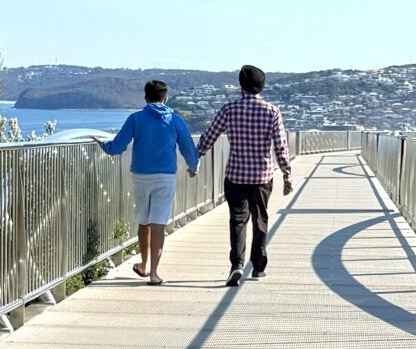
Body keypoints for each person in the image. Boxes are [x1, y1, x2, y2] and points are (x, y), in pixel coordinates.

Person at [197, 64, 293, 286]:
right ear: (261, 86)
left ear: (241, 85)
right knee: (260, 219)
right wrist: (287, 174)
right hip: (262, 176)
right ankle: (258, 268)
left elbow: (209, 137)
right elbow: (281, 146)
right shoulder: (272, 111)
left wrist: (195, 158)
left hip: (236, 175)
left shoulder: (229, 109)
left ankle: (237, 265)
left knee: (238, 220)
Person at [99, 78, 200, 283]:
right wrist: (193, 168)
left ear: (145, 98)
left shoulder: (136, 119)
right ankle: (154, 273)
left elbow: (117, 146)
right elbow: (189, 149)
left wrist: (102, 143)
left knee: (143, 222)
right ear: (166, 97)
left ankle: (143, 265)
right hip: (165, 177)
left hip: (140, 176)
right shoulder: (175, 120)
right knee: (158, 224)